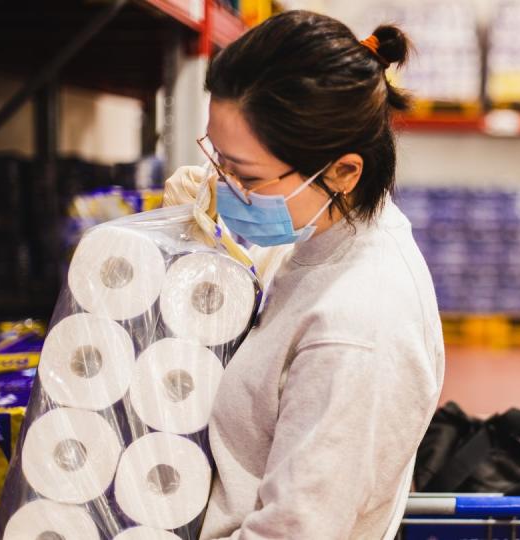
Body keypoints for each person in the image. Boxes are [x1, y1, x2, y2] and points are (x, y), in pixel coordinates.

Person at [162, 10, 445, 540]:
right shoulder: (329, 232)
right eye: (216, 159)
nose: (222, 186)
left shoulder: (358, 328)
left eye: (242, 174)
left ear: (342, 170)